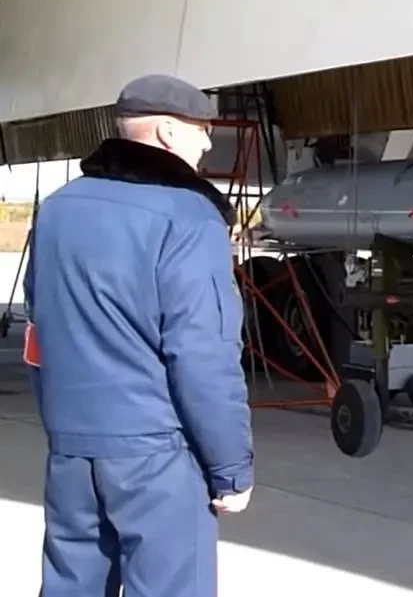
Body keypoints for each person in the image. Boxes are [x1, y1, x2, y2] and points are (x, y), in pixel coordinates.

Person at [23, 74, 254, 597]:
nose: (207, 144)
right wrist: (230, 467)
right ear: (169, 133)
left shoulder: (57, 208)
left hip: (72, 451)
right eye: (203, 131)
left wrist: (64, 427)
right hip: (157, 456)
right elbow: (202, 355)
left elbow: (39, 335)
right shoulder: (189, 217)